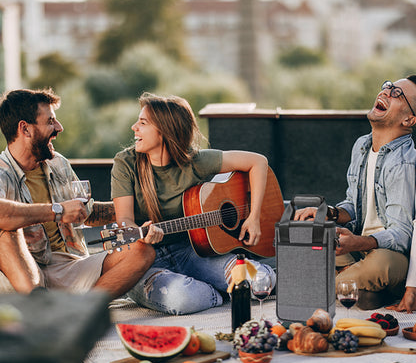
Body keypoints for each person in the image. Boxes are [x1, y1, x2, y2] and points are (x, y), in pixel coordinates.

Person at [111, 92, 276, 315]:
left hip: (193, 252)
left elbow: (258, 161)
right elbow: (124, 223)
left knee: (260, 282)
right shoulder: (126, 163)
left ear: (165, 130)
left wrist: (253, 217)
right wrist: (142, 232)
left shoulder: (195, 161)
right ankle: (216, 292)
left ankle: (216, 286)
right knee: (183, 299)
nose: (134, 127)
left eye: (142, 122)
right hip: (146, 260)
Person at [0, 88, 160, 299]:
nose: (59, 127)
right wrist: (57, 211)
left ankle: (83, 311)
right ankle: (38, 305)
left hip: (70, 265)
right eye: (50, 122)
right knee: (7, 229)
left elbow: (87, 213)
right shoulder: (3, 172)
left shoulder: (58, 163)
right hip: (21, 273)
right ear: (25, 129)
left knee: (143, 252)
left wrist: (143, 209)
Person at [294, 76, 416, 310]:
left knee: (380, 263)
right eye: (388, 87)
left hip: (391, 257)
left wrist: (357, 243)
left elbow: (402, 236)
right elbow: (353, 206)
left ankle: (337, 281)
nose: (387, 92)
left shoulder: (404, 163)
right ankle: (358, 288)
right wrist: (327, 212)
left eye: (397, 94)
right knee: (311, 230)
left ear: (409, 119)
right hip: (358, 249)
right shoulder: (362, 145)